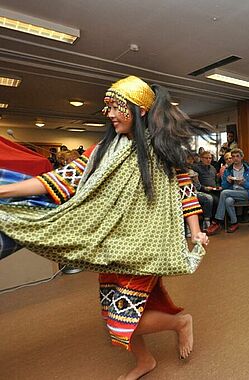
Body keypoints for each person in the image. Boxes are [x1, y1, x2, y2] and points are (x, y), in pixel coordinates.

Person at [0, 76, 209, 380]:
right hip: (111, 243)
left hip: (145, 245)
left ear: (139, 110)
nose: (109, 113)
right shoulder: (103, 150)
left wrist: (195, 229)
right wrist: (3, 192)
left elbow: (184, 189)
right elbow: (58, 180)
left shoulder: (160, 148)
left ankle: (180, 323)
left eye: (116, 107)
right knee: (115, 305)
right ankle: (145, 360)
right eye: (107, 107)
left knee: (119, 316)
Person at [206, 148, 249, 234]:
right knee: (228, 200)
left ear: (242, 157)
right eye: (233, 156)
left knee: (224, 193)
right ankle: (234, 222)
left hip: (246, 193)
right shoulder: (228, 170)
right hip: (232, 193)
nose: (235, 158)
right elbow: (224, 186)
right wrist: (228, 181)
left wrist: (244, 183)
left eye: (237, 156)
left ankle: (217, 221)